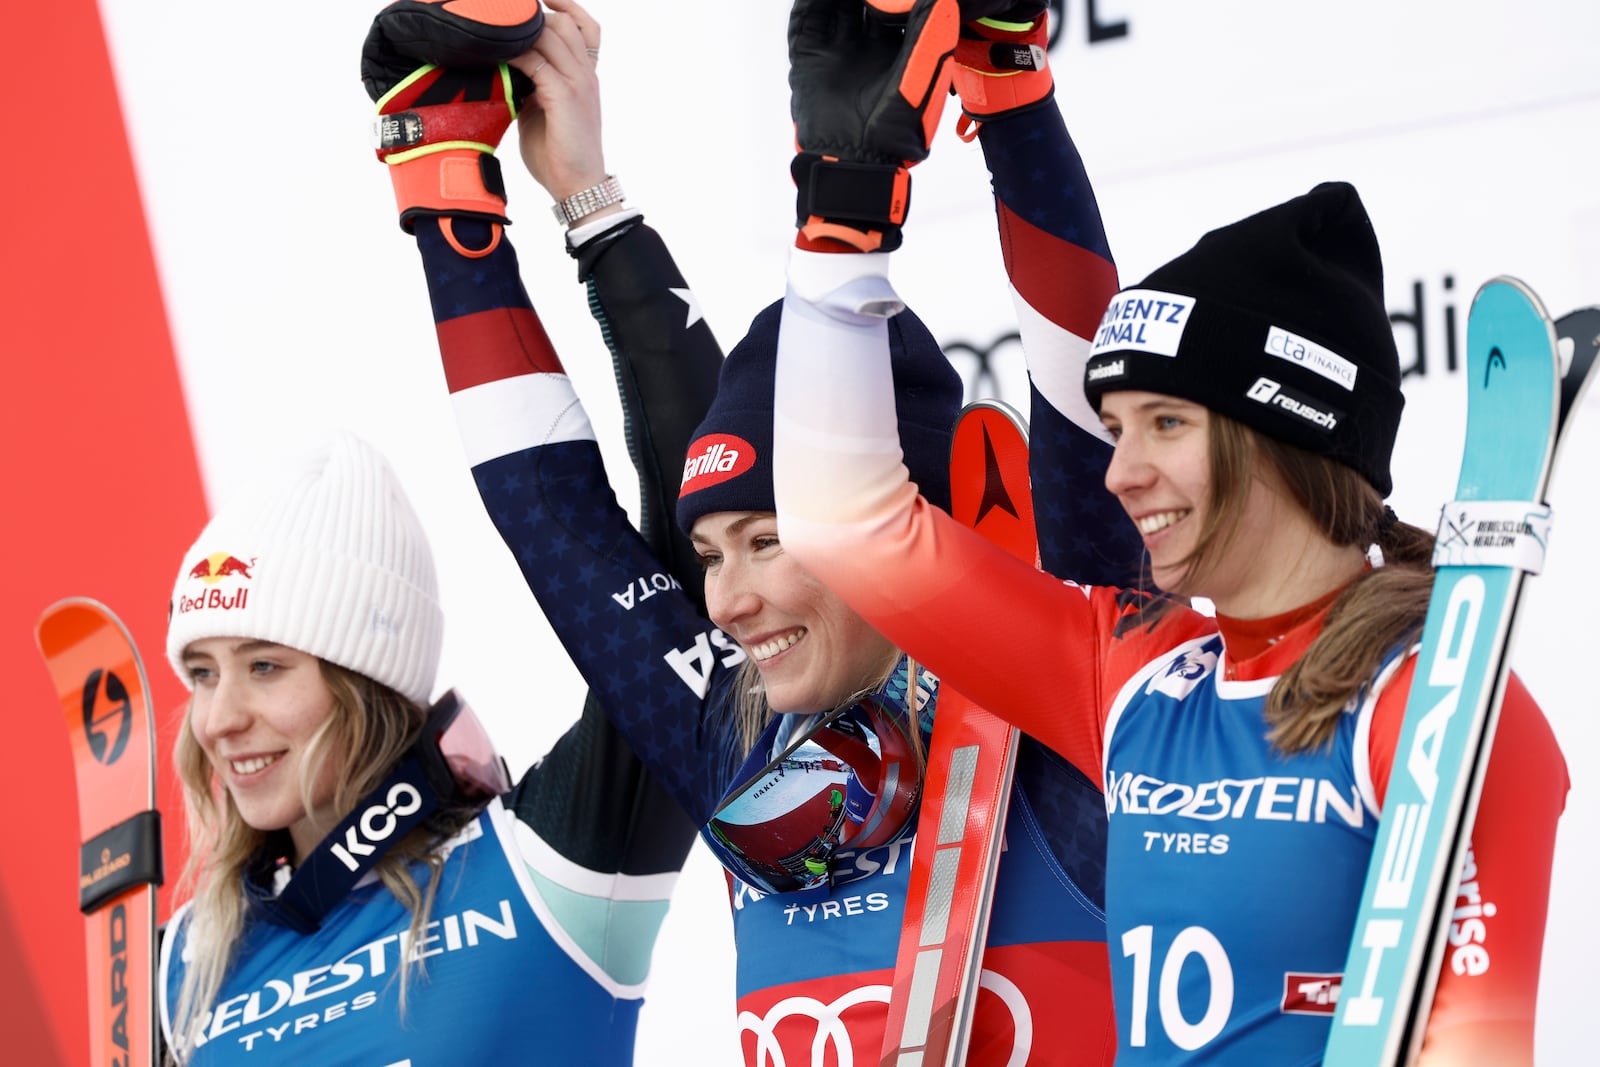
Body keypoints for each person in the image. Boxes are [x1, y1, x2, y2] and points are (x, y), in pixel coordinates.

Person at [767, 12, 1569, 1065]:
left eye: (1167, 424)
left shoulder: (1433, 705)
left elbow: (1484, 1043)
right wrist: (841, 228)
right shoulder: (1139, 672)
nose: (1118, 471)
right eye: (1113, 427)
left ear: (1283, 436)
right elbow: (843, 525)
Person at [380, 1, 1142, 1062]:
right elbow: (547, 510)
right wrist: (452, 189)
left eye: (769, 540)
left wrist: (1008, 82)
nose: (727, 602)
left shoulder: (1072, 708)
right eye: (707, 552)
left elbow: (1081, 388)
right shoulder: (743, 744)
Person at [155, 7, 715, 1061]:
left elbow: (701, 538)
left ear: (367, 677)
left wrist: (570, 209)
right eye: (200, 669)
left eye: (266, 663)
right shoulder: (190, 958)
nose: (222, 717)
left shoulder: (552, 863)